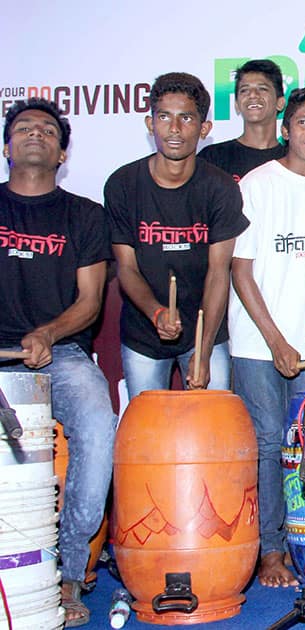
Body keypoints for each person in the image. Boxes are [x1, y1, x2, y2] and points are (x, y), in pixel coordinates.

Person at [0, 98, 117, 627]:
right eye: (23, 128)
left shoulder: (84, 215)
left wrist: (48, 333)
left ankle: (68, 574)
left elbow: (90, 302)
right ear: (6, 147)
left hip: (60, 353)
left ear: (63, 152)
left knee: (97, 425)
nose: (35, 135)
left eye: (48, 130)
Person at [229, 86, 305, 587]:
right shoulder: (257, 185)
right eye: (303, 122)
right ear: (285, 128)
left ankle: (304, 542)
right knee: (269, 443)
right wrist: (277, 340)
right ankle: (270, 552)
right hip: (258, 344)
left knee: (303, 447)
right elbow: (241, 270)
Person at [105, 72, 247, 396]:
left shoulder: (221, 188)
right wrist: (156, 312)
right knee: (149, 434)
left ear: (204, 128)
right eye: (164, 117)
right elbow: (126, 267)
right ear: (149, 123)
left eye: (186, 118)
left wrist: (205, 349)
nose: (174, 129)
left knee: (213, 428)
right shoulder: (122, 184)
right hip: (143, 331)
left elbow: (218, 273)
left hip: (205, 329)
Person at [199, 59, 287, 181]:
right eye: (244, 90)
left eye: (262, 89)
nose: (252, 95)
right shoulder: (213, 157)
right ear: (237, 105)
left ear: (280, 103)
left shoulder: (291, 159)